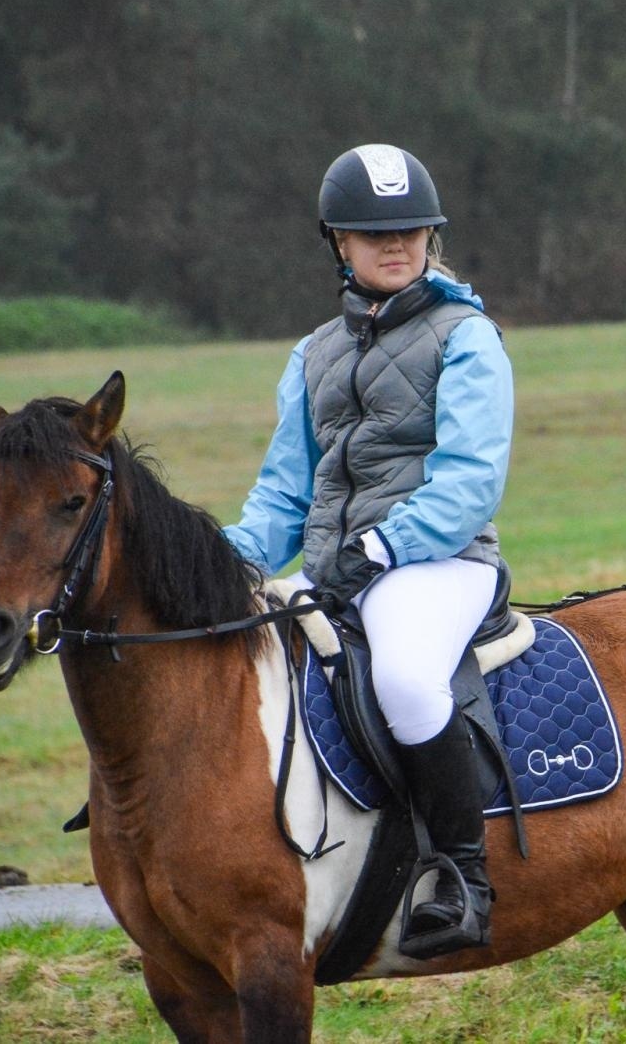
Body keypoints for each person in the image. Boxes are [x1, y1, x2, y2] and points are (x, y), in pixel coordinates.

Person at [224, 143, 513, 958]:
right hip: (333, 567)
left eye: (414, 230)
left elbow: (469, 482)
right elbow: (285, 494)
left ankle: (460, 876)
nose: (399, 244)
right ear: (338, 244)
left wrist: (382, 547)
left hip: (438, 564)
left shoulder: (467, 337)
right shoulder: (312, 354)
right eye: (375, 232)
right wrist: (222, 556)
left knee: (407, 679)